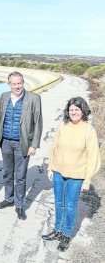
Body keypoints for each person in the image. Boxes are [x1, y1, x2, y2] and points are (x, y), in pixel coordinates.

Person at [42, 97, 101, 251]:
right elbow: (54, 148)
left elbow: (93, 157)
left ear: (83, 111)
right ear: (68, 111)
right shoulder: (62, 126)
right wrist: (50, 168)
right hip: (58, 172)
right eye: (71, 109)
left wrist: (87, 179)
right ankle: (57, 230)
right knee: (59, 203)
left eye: (77, 109)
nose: (73, 112)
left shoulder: (89, 130)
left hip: (76, 176)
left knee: (70, 206)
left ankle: (66, 235)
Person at [0, 71, 43, 220]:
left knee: (20, 176)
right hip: (6, 143)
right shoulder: (4, 97)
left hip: (23, 144)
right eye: (14, 83)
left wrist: (33, 145)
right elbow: (0, 118)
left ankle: (19, 205)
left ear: (23, 82)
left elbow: (38, 123)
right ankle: (9, 199)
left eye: (19, 83)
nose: (17, 86)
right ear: (9, 84)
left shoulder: (34, 98)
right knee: (8, 174)